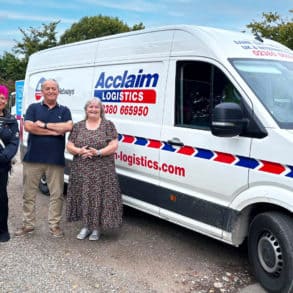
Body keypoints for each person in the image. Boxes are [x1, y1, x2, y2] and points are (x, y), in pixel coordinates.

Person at [15, 79, 73, 238]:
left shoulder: (65, 110)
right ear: (42, 91)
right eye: (47, 88)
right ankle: (28, 225)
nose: (51, 91)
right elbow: (29, 127)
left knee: (57, 195)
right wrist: (55, 131)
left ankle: (54, 226)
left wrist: (44, 126)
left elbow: (68, 127)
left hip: (55, 160)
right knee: (29, 193)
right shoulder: (33, 108)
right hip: (33, 158)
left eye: (53, 88)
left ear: (58, 91)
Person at [66, 98, 122, 241]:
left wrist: (98, 152)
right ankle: (85, 226)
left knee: (99, 197)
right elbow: (69, 145)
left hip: (102, 169)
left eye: (97, 107)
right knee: (84, 196)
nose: (93, 109)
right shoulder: (78, 126)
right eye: (90, 107)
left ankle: (96, 228)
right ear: (86, 109)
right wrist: (79, 150)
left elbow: (114, 145)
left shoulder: (108, 125)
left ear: (101, 110)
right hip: (82, 169)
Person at [0, 85, 19, 242]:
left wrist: (4, 157)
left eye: (3, 98)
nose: (0, 100)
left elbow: (14, 142)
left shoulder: (11, 121)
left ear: (6, 101)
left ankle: (2, 230)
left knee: (1, 197)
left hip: (1, 165)